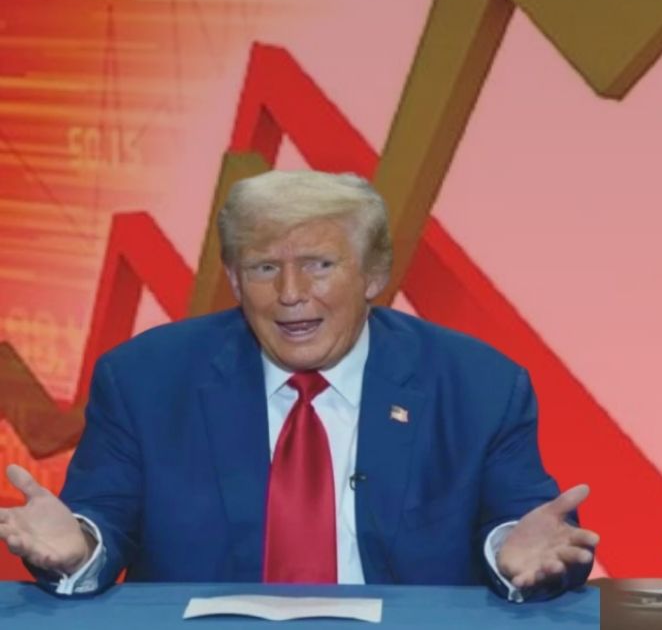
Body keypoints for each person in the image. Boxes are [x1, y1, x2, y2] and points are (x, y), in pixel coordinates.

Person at [0, 170, 598, 599]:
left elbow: (522, 527)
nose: (290, 294)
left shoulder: (476, 384)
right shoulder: (145, 379)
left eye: (319, 265)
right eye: (265, 268)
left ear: (374, 274)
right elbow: (103, 519)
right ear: (235, 280)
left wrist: (511, 550)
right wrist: (79, 548)